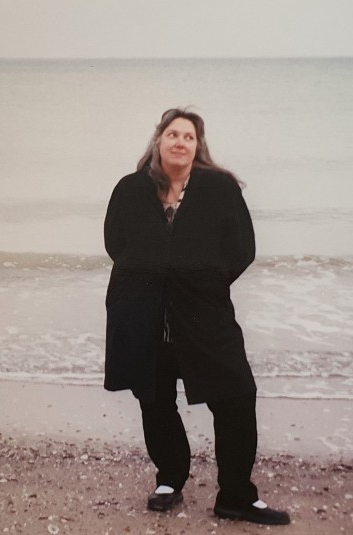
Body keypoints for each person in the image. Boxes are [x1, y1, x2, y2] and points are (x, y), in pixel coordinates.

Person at [103, 108, 290, 525]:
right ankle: (170, 479)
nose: (180, 142)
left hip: (203, 311)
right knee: (154, 398)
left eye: (188, 136)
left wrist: (202, 282)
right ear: (159, 141)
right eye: (173, 134)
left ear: (198, 145)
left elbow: (241, 248)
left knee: (237, 395)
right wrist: (154, 277)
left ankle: (236, 495)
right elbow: (115, 242)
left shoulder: (220, 189)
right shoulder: (131, 189)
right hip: (142, 311)